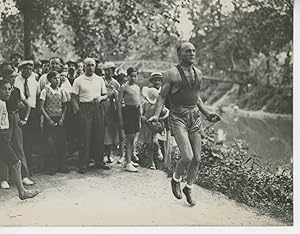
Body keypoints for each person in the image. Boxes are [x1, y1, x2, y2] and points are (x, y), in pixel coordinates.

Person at [148, 41, 220, 206]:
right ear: (180, 54)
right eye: (188, 51)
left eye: (194, 51)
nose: (192, 53)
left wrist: (207, 113)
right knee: (187, 156)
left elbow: (196, 97)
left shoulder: (199, 73)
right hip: (178, 117)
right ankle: (175, 179)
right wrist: (156, 115)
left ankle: (188, 187)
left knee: (197, 158)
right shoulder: (171, 74)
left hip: (194, 116)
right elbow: (162, 97)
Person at [0, 79, 39, 200]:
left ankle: (22, 191)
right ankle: (22, 192)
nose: (7, 92)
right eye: (3, 89)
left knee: (15, 162)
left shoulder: (3, 102)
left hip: (3, 135)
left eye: (9, 89)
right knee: (16, 162)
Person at [71, 58, 109, 174]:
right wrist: (78, 112)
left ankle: (99, 161)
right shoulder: (78, 80)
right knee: (85, 136)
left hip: (97, 108)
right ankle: (83, 164)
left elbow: (105, 95)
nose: (91, 68)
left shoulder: (99, 80)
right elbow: (73, 98)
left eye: (93, 65)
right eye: (88, 65)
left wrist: (100, 98)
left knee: (98, 134)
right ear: (84, 67)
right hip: (84, 108)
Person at [40, 71, 69, 175]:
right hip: (49, 120)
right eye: (54, 78)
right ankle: (52, 167)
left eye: (58, 78)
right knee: (50, 143)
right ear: (49, 80)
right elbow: (41, 107)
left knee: (61, 142)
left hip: (60, 119)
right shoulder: (45, 91)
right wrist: (49, 120)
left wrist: (62, 119)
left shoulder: (61, 91)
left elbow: (65, 107)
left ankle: (62, 166)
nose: (57, 80)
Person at [15, 60, 41, 174]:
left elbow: (38, 95)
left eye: (31, 69)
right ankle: (20, 167)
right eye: (26, 68)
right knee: (21, 140)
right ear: (21, 69)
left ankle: (29, 165)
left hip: (33, 112)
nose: (28, 71)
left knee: (31, 139)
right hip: (21, 111)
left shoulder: (34, 81)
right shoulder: (16, 80)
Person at [139, 87, 169, 170]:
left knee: (155, 141)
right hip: (147, 126)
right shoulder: (145, 104)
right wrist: (143, 117)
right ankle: (151, 162)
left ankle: (158, 150)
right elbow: (141, 113)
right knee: (149, 145)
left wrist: (161, 119)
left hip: (156, 127)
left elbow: (167, 112)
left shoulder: (158, 105)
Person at [118, 67, 141, 172]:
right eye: (131, 76)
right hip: (128, 112)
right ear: (127, 76)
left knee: (133, 138)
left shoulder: (137, 87)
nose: (133, 78)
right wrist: (121, 119)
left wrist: (140, 118)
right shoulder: (123, 87)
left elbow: (139, 103)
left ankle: (129, 160)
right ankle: (127, 163)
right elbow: (119, 104)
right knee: (129, 137)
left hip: (136, 112)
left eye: (135, 76)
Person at [102, 62, 120, 163]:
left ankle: (109, 155)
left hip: (111, 109)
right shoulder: (100, 80)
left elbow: (119, 98)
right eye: (106, 70)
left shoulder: (115, 83)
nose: (108, 72)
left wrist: (115, 93)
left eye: (110, 70)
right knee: (101, 131)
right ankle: (100, 155)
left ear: (113, 71)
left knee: (109, 132)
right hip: (101, 106)